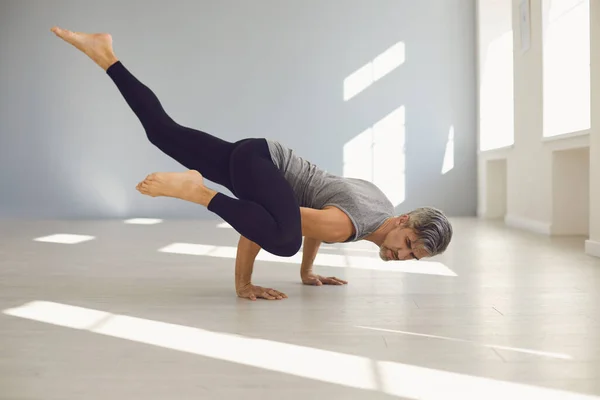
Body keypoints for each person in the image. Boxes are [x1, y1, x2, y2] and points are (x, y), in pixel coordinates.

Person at [50, 26, 453, 301]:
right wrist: (244, 284)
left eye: (413, 259)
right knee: (284, 239)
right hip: (261, 167)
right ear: (404, 223)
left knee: (162, 131)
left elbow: (316, 221)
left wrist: (306, 273)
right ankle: (199, 192)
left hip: (259, 157)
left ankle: (105, 54)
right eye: (409, 248)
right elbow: (263, 223)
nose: (403, 258)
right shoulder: (350, 224)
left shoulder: (376, 205)